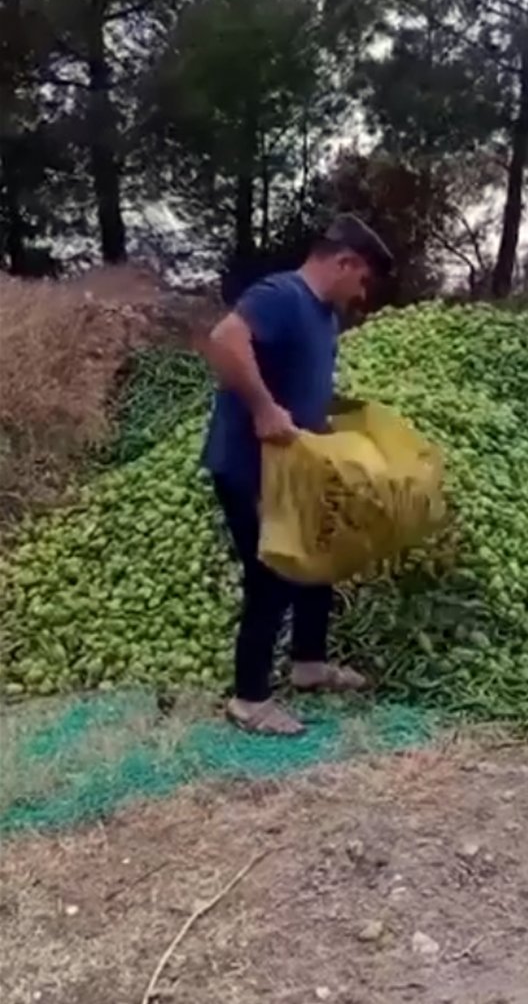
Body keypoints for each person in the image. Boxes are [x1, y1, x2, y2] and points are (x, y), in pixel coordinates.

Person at [200, 214, 395, 735]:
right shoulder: (283, 294)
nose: (362, 293)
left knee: (318, 559)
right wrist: (263, 408)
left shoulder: (325, 317)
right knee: (271, 575)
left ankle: (308, 665)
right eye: (362, 279)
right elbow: (225, 338)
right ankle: (250, 699)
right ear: (345, 261)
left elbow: (306, 385)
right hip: (248, 464)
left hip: (295, 467)